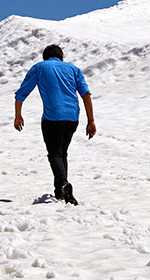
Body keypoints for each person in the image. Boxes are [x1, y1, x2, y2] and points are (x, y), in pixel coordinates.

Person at [13, 44, 95, 205]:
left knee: (55, 154)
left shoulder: (40, 67)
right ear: (61, 57)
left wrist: (18, 115)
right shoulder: (73, 69)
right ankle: (60, 192)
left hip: (52, 118)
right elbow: (86, 95)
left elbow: (22, 93)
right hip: (73, 118)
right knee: (62, 153)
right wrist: (91, 121)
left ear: (45, 57)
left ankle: (64, 184)